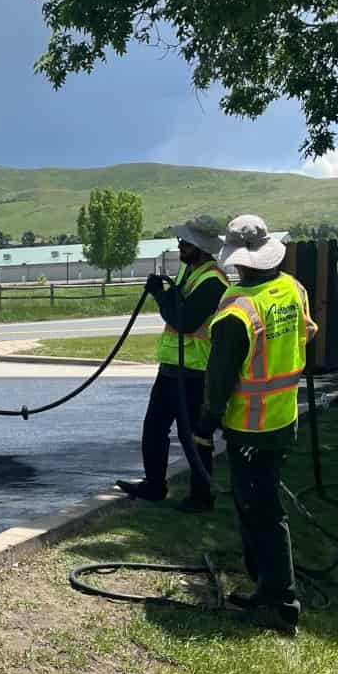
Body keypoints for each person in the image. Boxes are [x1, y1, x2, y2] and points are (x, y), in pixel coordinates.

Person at [194, 214, 317, 632]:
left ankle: (283, 600)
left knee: (262, 509)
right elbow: (306, 333)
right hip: (284, 419)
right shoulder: (292, 289)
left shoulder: (238, 310)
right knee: (256, 505)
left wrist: (205, 423)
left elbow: (220, 378)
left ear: (239, 260)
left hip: (251, 428)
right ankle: (267, 586)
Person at [116, 215, 229, 512]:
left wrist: (159, 294)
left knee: (193, 436)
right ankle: (154, 485)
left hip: (195, 372)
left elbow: (185, 320)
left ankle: (202, 496)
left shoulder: (213, 281)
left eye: (184, 243)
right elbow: (176, 307)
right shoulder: (188, 273)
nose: (179, 247)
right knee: (154, 428)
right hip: (171, 367)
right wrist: (165, 292)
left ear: (200, 247)